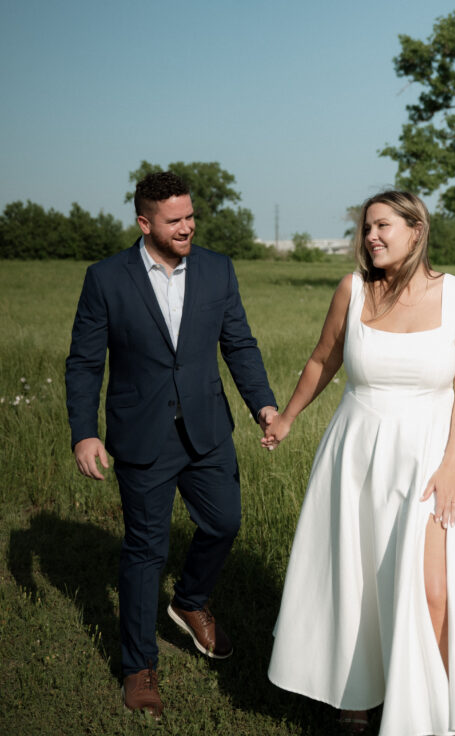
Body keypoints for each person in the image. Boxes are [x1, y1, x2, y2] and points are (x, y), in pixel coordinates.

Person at [262, 191, 455, 735]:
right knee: (358, 578)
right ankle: (355, 698)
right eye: (366, 229)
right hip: (356, 455)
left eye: (382, 226)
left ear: (416, 229)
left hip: (430, 462)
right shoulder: (354, 289)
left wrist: (452, 465)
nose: (371, 238)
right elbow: (323, 358)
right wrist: (289, 417)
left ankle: (434, 715)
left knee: (435, 589)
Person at [65, 170, 277, 719]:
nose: (187, 227)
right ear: (145, 222)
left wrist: (264, 405)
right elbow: (86, 362)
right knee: (145, 550)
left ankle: (188, 600)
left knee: (225, 522)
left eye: (190, 216)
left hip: (207, 429)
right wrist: (84, 432)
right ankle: (139, 667)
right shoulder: (105, 279)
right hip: (142, 436)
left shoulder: (217, 269)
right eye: (174, 220)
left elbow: (239, 343)